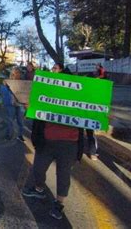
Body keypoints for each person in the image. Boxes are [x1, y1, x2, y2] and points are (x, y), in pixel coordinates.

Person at [22, 63, 84, 220]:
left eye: (56, 69)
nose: (53, 71)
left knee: (63, 174)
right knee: (38, 169)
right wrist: (31, 108)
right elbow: (35, 113)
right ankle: (39, 188)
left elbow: (89, 113)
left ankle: (59, 203)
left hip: (69, 143)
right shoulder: (46, 91)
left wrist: (102, 116)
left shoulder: (78, 94)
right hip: (47, 141)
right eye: (52, 69)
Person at [1, 67, 25, 141]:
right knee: (10, 120)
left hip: (20, 104)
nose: (16, 74)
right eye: (15, 73)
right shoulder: (7, 82)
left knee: (20, 121)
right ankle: (9, 135)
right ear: (12, 73)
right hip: (10, 104)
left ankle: (20, 135)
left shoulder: (23, 82)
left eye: (18, 73)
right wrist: (5, 85)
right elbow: (3, 92)